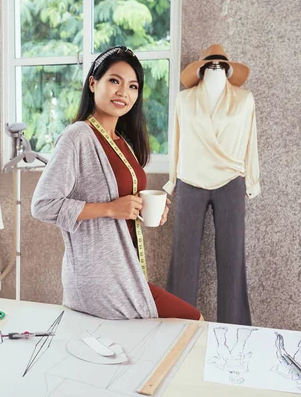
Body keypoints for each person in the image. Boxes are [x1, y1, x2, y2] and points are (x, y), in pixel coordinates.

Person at [32, 46, 202, 321]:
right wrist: (111, 209)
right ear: (93, 83)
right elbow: (43, 205)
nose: (124, 92)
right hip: (97, 278)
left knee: (174, 334)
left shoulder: (124, 142)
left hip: (125, 270)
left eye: (133, 86)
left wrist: (145, 211)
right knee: (192, 322)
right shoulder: (77, 137)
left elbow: (123, 205)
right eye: (114, 81)